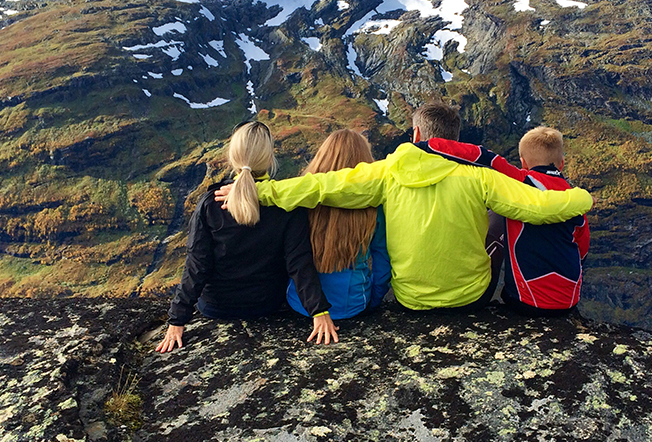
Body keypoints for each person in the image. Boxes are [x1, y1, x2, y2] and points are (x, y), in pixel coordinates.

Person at [217, 103, 593, 312]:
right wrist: (582, 198)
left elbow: (320, 186)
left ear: (415, 135)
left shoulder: (387, 173)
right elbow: (541, 207)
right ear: (456, 140)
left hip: (412, 299)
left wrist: (260, 192)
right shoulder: (481, 177)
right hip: (469, 298)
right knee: (499, 223)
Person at [156, 121, 339, 353]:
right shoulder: (287, 206)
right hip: (265, 305)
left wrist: (177, 320)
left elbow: (197, 265)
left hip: (215, 307)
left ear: (232, 157)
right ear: (270, 159)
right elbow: (299, 263)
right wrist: (319, 311)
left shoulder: (211, 203)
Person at [415, 126, 589, 315]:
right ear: (561, 164)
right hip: (568, 302)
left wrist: (424, 145)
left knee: (498, 211)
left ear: (523, 162)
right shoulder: (575, 200)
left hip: (525, 302)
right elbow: (582, 252)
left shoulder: (519, 181)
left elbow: (481, 155)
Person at [286, 129, 391, 319]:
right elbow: (382, 261)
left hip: (299, 303)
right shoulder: (375, 206)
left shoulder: (302, 199)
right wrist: (373, 299)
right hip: (353, 304)